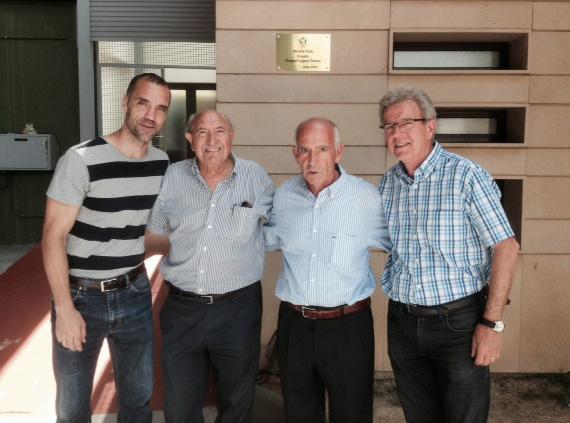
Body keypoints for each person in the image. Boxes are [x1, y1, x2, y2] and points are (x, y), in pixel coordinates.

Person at [377, 86, 520, 423]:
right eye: (389, 126)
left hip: (458, 325)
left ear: (431, 127)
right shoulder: (388, 184)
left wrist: (491, 324)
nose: (396, 133)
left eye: (405, 123)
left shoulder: (465, 176)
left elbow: (506, 246)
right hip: (403, 324)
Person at [42, 73, 171, 423]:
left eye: (161, 108)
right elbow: (53, 238)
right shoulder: (81, 159)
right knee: (72, 409)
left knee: (138, 402)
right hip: (81, 297)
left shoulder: (161, 164)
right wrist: (65, 309)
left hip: (135, 292)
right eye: (143, 103)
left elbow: (142, 233)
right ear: (125, 102)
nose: (151, 116)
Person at [145, 110, 275, 423]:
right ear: (190, 140)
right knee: (180, 407)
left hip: (237, 309)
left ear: (232, 137)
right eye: (202, 132)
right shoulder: (173, 176)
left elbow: (277, 228)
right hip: (182, 309)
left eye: (220, 131)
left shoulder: (255, 177)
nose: (212, 140)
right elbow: (155, 233)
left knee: (236, 402)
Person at [264, 118, 391, 423]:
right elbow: (266, 239)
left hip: (348, 327)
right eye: (305, 150)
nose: (312, 159)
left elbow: (400, 245)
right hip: (295, 324)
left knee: (352, 414)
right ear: (295, 153)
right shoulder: (283, 196)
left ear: (338, 152)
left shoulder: (366, 198)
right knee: (299, 413)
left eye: (322, 149)